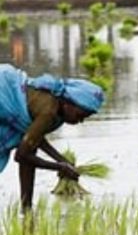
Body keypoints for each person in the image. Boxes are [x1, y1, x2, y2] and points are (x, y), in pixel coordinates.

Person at [0, 64, 105, 211]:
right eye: (80, 115)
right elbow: (22, 156)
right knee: (28, 153)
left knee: (30, 149)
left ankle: (26, 208)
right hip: (3, 89)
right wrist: (59, 167)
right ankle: (26, 207)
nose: (80, 121)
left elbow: (33, 139)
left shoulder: (57, 112)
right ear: (69, 103)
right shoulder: (49, 112)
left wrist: (61, 160)